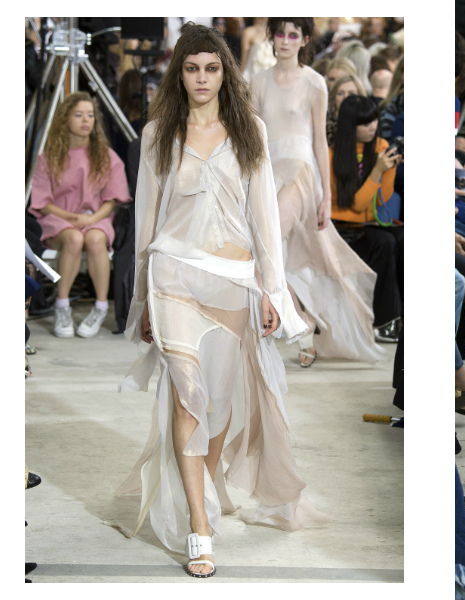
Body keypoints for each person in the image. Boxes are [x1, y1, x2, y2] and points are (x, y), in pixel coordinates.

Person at [116, 22, 327, 578]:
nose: (202, 78)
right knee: (188, 397)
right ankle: (199, 526)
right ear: (179, 74)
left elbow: (264, 220)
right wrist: (142, 302)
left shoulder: (249, 130)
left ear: (225, 73)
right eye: (191, 68)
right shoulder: (159, 133)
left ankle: (203, 493)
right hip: (173, 276)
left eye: (211, 68)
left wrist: (272, 291)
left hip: (231, 280)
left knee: (217, 406)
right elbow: (146, 222)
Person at [251, 17, 384, 366]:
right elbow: (252, 137)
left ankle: (299, 324)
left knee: (266, 249)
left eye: (293, 34)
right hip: (267, 173)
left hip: (300, 173)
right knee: (271, 256)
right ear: (272, 37)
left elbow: (320, 142)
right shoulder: (258, 82)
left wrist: (326, 195)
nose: (284, 40)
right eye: (280, 33)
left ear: (305, 39)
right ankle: (303, 322)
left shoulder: (314, 82)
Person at [29, 92, 131, 338]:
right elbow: (43, 202)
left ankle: (100, 307)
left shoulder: (106, 156)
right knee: (74, 238)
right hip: (58, 219)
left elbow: (111, 200)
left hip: (95, 218)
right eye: (78, 115)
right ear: (65, 119)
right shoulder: (49, 158)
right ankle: (62, 306)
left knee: (95, 239)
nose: (86, 120)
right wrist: (71, 218)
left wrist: (91, 219)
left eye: (90, 115)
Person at [329, 95, 403, 342]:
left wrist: (389, 168)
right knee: (385, 243)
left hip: (370, 223)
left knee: (404, 239)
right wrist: (378, 170)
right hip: (343, 228)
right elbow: (356, 205)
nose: (372, 127)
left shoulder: (381, 146)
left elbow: (383, 200)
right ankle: (384, 322)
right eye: (365, 123)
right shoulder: (333, 155)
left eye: (374, 120)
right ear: (351, 125)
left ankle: (404, 315)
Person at [327, 73, 368, 145]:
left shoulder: (368, 122)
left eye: (351, 94)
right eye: (340, 93)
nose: (345, 97)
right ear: (333, 97)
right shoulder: (324, 124)